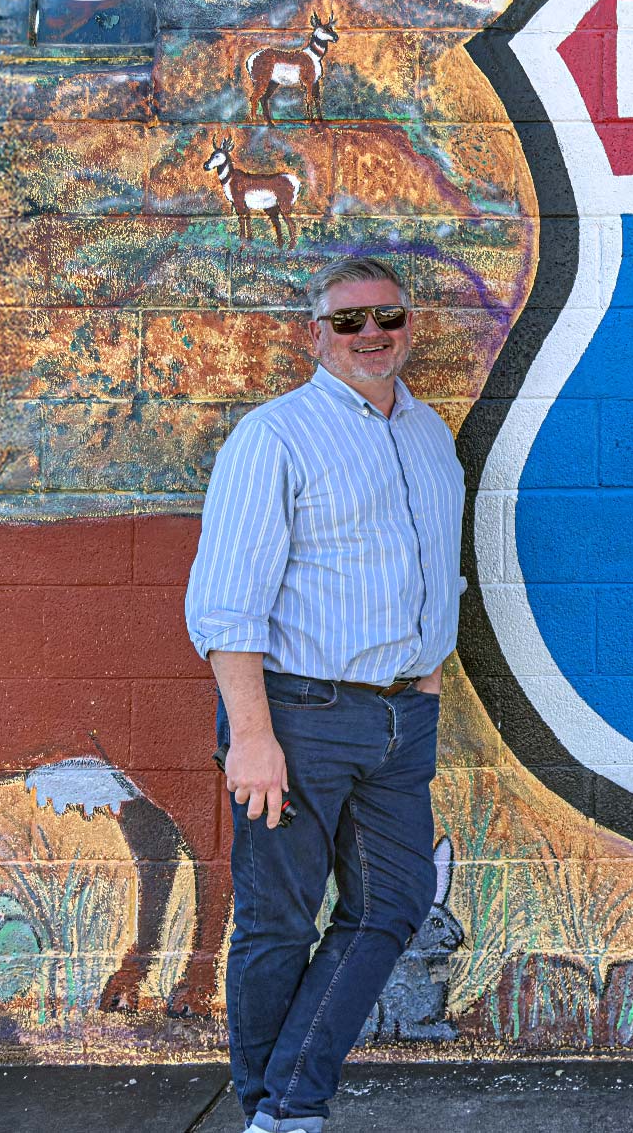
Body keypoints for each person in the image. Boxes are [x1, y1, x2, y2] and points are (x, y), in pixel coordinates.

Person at [186, 256, 466, 1133]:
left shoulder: (429, 435)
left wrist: (423, 672)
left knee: (392, 903)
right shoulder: (277, 437)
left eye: (386, 317)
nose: (370, 334)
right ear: (317, 335)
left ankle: (286, 1100)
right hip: (297, 717)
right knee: (278, 920)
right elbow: (227, 604)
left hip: (400, 716)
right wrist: (252, 736)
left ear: (410, 326)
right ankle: (277, 1110)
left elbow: (430, 565)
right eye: (348, 322)